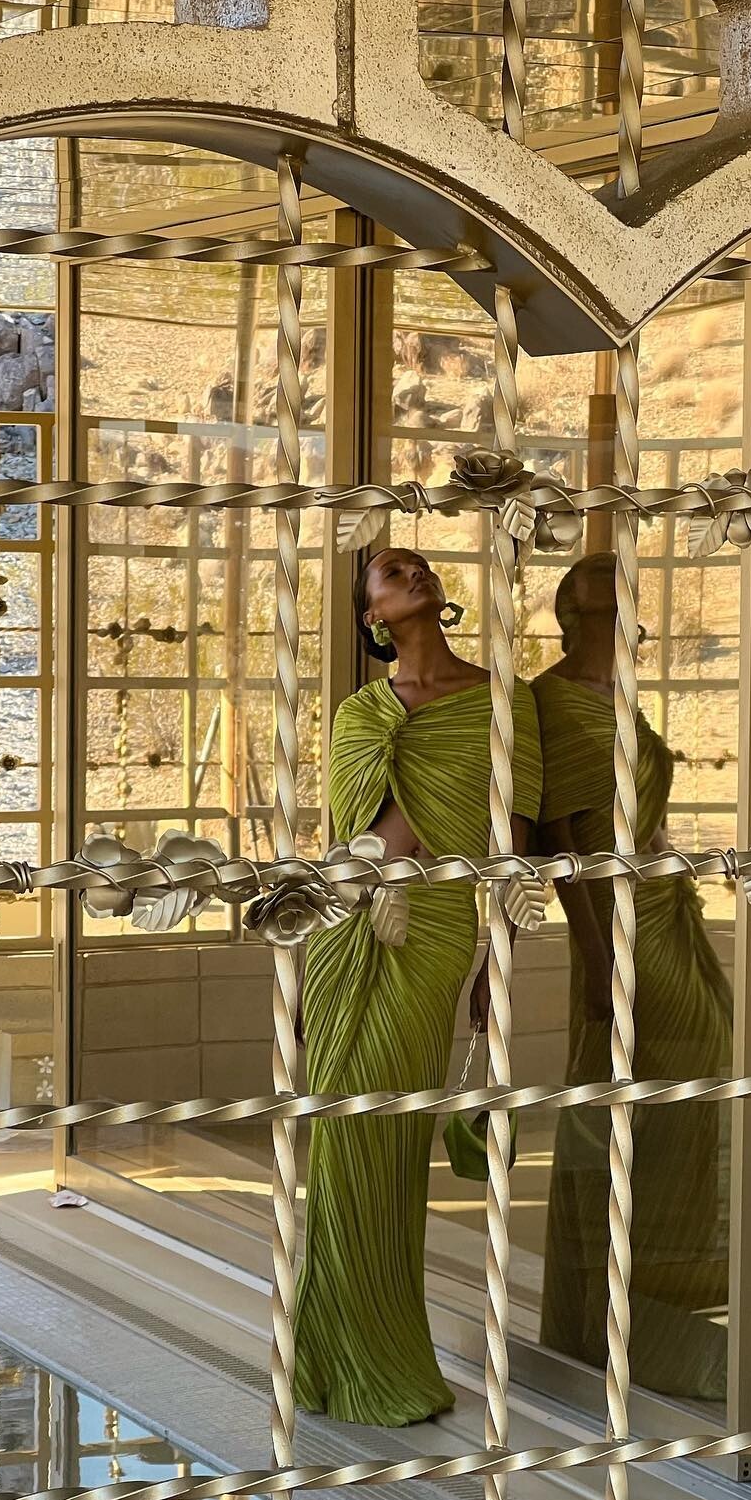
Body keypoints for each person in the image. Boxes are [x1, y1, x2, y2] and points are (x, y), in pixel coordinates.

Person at [294, 547, 542, 1426]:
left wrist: (496, 962)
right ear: (372, 616)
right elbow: (345, 837)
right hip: (343, 931)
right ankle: (333, 1357)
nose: (414, 575)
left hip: (434, 928)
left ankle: (383, 1355)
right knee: (337, 1138)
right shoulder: (359, 713)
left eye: (420, 567)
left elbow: (514, 844)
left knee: (391, 1136)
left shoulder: (504, 701)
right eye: (393, 574)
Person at [534, 553, 734, 1401]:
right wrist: (596, 958)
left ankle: (661, 1300)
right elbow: (561, 847)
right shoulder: (551, 703)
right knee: (629, 1092)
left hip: (662, 906)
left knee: (694, 1073)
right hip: (617, 921)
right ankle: (611, 1316)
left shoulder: (619, 699)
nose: (624, 626)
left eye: (629, 613)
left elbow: (638, 816)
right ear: (572, 618)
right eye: (607, 612)